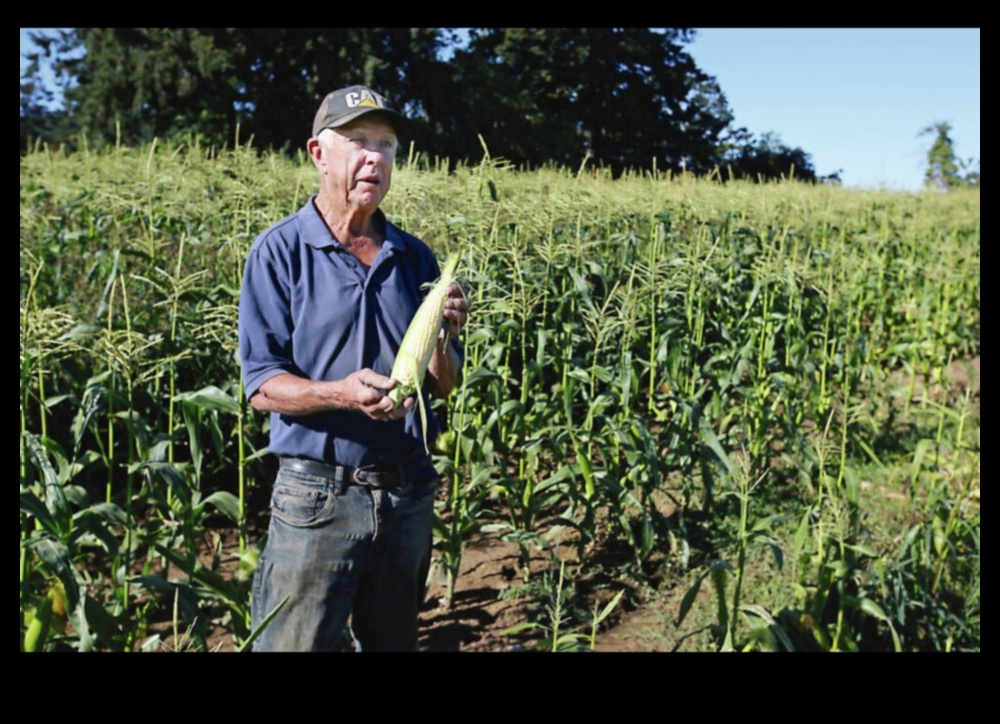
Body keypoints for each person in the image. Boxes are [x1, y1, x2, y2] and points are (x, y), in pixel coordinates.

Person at [238, 84, 469, 651]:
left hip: (407, 490)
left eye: (386, 144)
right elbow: (261, 385)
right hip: (318, 495)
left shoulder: (415, 256)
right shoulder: (280, 252)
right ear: (318, 153)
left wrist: (444, 332)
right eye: (358, 142)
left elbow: (444, 383)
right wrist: (340, 393)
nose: (375, 158)